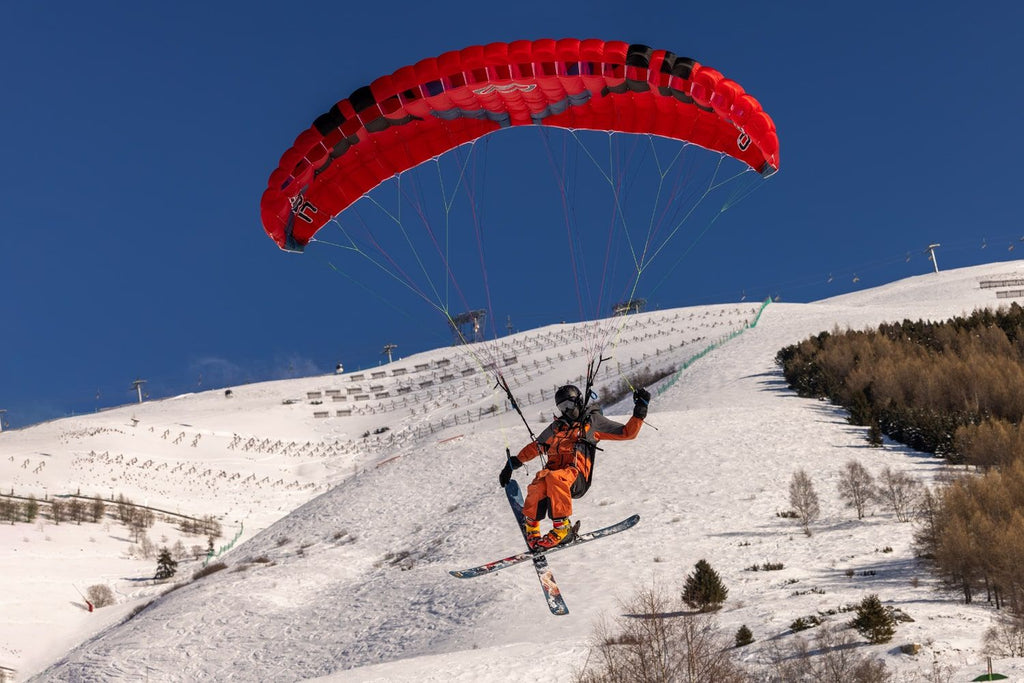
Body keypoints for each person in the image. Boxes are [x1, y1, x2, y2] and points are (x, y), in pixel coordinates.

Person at [499, 383, 651, 550]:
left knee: (553, 477)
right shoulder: (556, 428)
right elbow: (536, 446)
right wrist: (514, 463)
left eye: (569, 404)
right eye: (562, 407)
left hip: (577, 478)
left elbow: (627, 433)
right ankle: (532, 530)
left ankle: (563, 529)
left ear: (578, 401)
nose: (567, 410)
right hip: (556, 480)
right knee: (538, 482)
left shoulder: (592, 422)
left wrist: (640, 409)